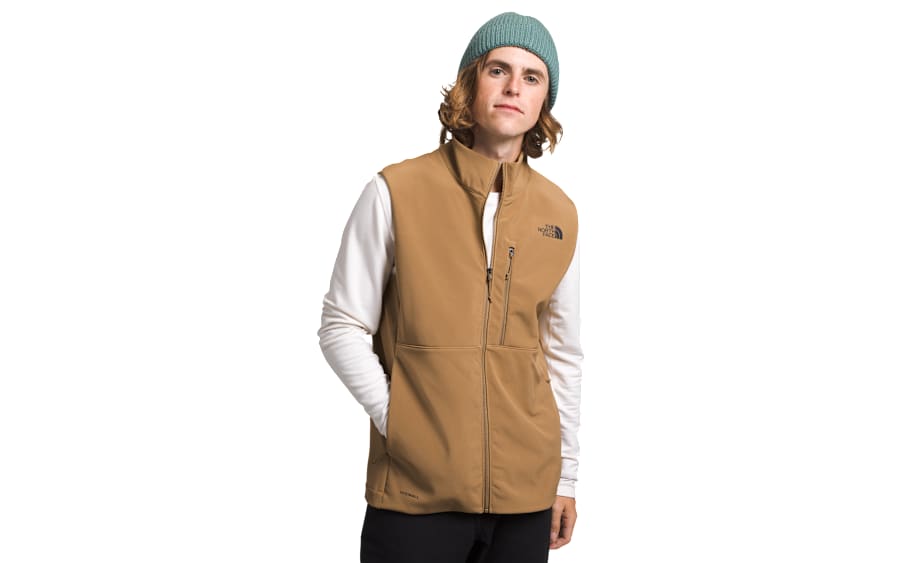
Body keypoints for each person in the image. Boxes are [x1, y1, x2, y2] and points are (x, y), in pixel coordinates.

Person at [318, 11, 582, 563]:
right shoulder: (395, 191)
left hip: (526, 495)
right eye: (498, 70)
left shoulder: (559, 213)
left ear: (544, 102)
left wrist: (566, 478)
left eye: (532, 77)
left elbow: (561, 352)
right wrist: (401, 423)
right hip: (415, 494)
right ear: (469, 83)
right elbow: (342, 324)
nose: (514, 87)